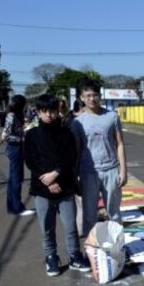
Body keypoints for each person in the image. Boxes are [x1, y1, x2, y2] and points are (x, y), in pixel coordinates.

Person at [24, 94, 91, 276]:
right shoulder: (31, 135)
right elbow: (31, 160)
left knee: (70, 226)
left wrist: (55, 174)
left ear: (58, 111)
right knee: (47, 227)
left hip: (65, 186)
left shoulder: (66, 133)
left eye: (52, 111)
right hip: (41, 189)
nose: (49, 115)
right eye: (44, 111)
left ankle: (74, 256)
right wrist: (47, 181)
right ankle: (51, 257)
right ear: (38, 112)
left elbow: (70, 157)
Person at [71, 79, 127, 235]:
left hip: (111, 170)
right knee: (89, 215)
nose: (92, 99)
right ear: (82, 98)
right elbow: (76, 151)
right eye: (87, 95)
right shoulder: (77, 122)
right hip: (88, 172)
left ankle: (118, 249)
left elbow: (119, 144)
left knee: (114, 213)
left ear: (100, 96)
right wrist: (74, 175)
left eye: (95, 95)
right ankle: (92, 251)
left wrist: (123, 171)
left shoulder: (112, 117)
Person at [1, 95, 34, 216]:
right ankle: (17, 207)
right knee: (16, 178)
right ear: (20, 104)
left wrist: (25, 129)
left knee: (15, 178)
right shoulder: (11, 116)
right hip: (14, 149)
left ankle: (14, 206)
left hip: (17, 149)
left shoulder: (14, 115)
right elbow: (6, 136)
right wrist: (22, 137)